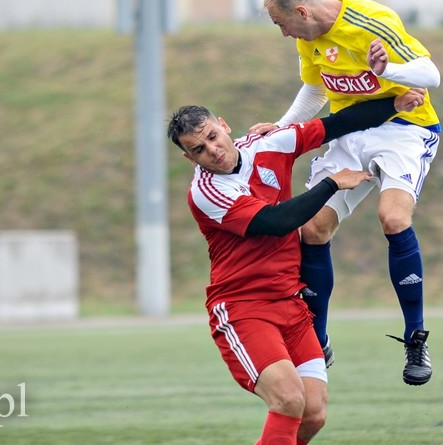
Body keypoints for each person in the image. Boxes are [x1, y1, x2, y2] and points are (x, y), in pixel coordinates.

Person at [168, 93, 418, 444]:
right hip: (243, 310)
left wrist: (395, 103)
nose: (212, 150)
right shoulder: (206, 192)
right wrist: (332, 183)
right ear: (189, 158)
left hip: (291, 305)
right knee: (288, 399)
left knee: (313, 413)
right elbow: (277, 221)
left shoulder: (270, 143)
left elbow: (334, 125)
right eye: (198, 149)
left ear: (223, 126)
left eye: (212, 136)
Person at [251, 0, 441, 386]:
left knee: (393, 218)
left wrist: (388, 67)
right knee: (313, 229)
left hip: (405, 128)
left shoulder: (370, 20)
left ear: (301, 11)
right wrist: (281, 128)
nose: (283, 34)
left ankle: (415, 337)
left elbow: (431, 75)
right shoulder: (308, 38)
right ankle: (316, 340)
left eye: (282, 24)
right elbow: (315, 90)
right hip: (351, 134)